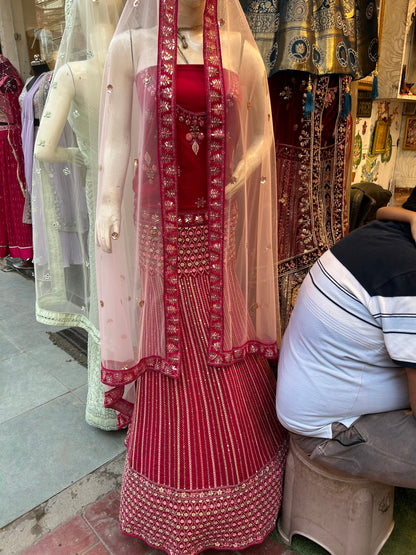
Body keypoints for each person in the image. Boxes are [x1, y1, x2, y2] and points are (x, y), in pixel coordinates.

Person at [95, 0, 288, 553]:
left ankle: (232, 488)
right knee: (166, 330)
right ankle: (168, 488)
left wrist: (245, 169)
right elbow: (117, 140)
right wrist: (108, 202)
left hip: (215, 222)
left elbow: (262, 137)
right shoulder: (129, 46)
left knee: (216, 321)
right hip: (158, 225)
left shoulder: (239, 50)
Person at [276, 187, 416, 488]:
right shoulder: (408, 277)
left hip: (324, 400)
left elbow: (385, 211)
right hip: (330, 431)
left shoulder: (386, 233)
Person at [33, 0, 124, 430]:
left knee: (110, 292)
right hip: (141, 196)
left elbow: (42, 150)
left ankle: (107, 404)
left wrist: (82, 153)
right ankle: (150, 403)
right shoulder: (140, 62)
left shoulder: (72, 73)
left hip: (99, 193)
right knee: (142, 294)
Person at [0, 52, 33, 261]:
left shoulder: (8, 80)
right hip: (4, 138)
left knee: (16, 193)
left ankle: (25, 247)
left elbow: (14, 112)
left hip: (10, 141)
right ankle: (11, 246)